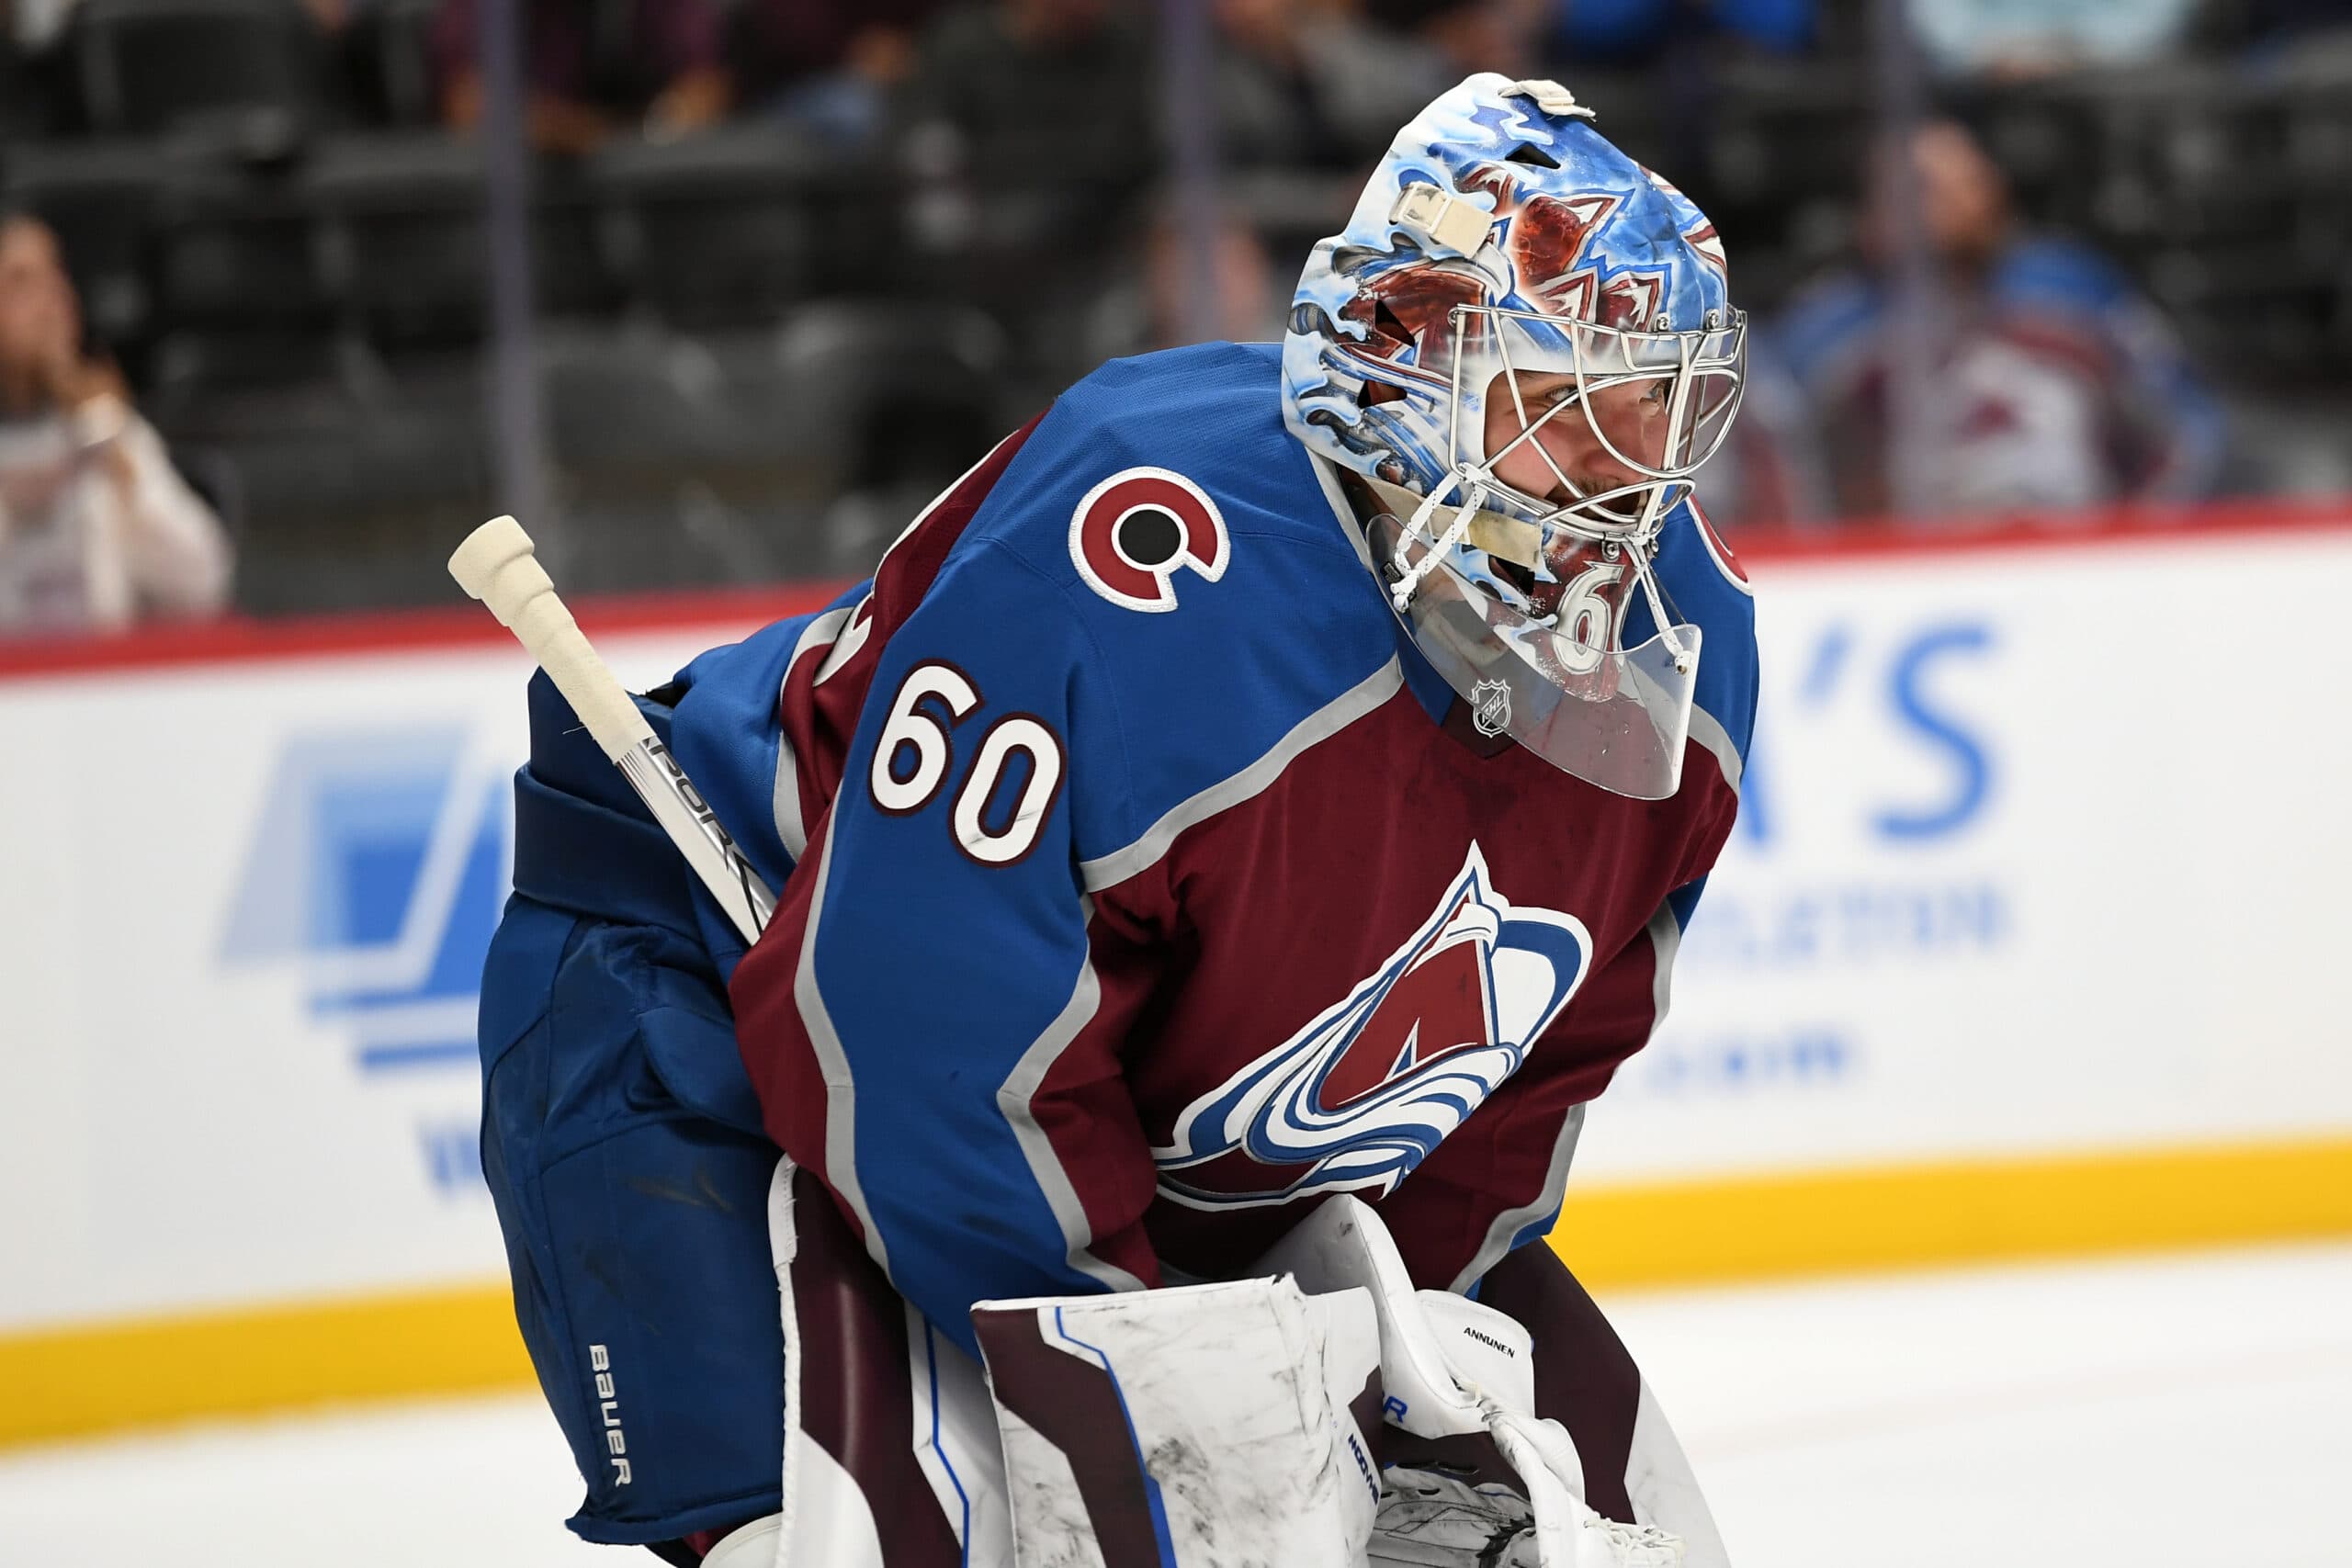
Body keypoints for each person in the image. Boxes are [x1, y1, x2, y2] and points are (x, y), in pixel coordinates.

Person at [477, 74, 1754, 1566]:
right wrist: (1152, 1379)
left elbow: (1530, 1072)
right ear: (1402, 357)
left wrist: (1393, 1370)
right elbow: (910, 1039)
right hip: (710, 1002)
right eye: (1566, 403)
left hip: (1101, 1132)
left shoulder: (1688, 649)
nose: (1629, 474)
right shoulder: (1145, 549)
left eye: (1655, 402)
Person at [1777, 118, 2224, 520]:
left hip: (2078, 558)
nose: (1952, 202)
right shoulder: (1828, 330)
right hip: (1902, 574)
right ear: (1870, 214)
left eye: (1968, 182)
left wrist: (2140, 540)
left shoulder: (2073, 290)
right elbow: (1780, 470)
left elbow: (2187, 430)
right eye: (1924, 187)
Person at [0, 213, 232, 636]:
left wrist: (118, 464)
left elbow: (202, 579)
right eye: (21, 282)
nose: (51, 298)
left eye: (57, 275)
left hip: (98, 682)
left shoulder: (106, 425)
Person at [431, 0, 729, 154]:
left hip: (639, 198)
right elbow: (467, 103)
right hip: (521, 207)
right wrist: (552, 128)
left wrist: (643, 137)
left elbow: (704, 88)